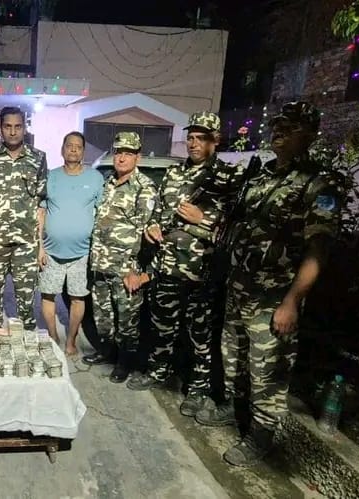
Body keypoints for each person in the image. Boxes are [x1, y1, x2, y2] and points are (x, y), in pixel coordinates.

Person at [204, 102, 343, 466]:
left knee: (267, 369)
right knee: (233, 357)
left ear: (309, 135)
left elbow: (318, 249)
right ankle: (235, 411)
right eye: (277, 124)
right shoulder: (262, 176)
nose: (279, 131)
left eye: (290, 126)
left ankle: (261, 435)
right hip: (241, 287)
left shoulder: (319, 184)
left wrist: (292, 301)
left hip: (273, 296)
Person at [127, 112, 244, 418]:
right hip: (167, 266)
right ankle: (159, 371)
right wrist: (151, 227)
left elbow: (237, 227)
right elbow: (158, 212)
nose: (193, 143)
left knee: (199, 333)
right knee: (162, 325)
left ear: (215, 140)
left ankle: (198, 388)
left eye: (201, 138)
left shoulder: (228, 177)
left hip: (201, 271)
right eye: (190, 137)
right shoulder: (174, 173)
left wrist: (203, 219)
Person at [85, 132, 158, 382]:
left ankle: (124, 363)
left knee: (127, 322)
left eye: (128, 153)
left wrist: (138, 271)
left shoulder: (144, 188)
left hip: (126, 269)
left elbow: (148, 235)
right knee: (103, 316)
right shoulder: (107, 182)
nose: (122, 158)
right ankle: (107, 352)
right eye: (118, 152)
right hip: (101, 264)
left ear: (137, 157)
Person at [0, 106, 47, 329]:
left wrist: (40, 243)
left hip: (26, 240)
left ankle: (26, 338)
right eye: (8, 126)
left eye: (18, 126)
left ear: (24, 128)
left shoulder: (38, 158)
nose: (13, 132)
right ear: (0, 128)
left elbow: (40, 202)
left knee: (27, 300)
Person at [37, 132, 103, 356]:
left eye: (78, 146)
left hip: (82, 253)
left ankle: (71, 340)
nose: (73, 149)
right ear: (62, 149)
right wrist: (40, 247)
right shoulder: (51, 177)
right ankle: (53, 336)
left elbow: (102, 214)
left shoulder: (95, 178)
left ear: (83, 151)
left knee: (77, 297)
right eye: (69, 145)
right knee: (47, 295)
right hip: (51, 251)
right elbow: (41, 213)